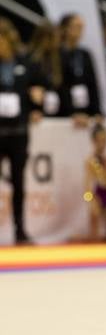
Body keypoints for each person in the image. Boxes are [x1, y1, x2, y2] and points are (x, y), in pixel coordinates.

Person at [0, 20, 43, 244]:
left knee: (19, 182)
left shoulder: (23, 63)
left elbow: (37, 89)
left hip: (18, 132)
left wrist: (36, 106)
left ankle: (20, 230)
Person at [58, 13, 101, 127]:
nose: (79, 31)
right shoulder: (57, 54)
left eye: (81, 27)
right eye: (76, 27)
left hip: (85, 110)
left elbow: (93, 84)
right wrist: (71, 113)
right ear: (65, 29)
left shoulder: (85, 54)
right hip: (65, 113)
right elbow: (60, 85)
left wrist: (96, 112)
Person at [27, 20, 62, 118]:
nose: (58, 41)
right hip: (36, 110)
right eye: (56, 37)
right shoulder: (29, 59)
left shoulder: (59, 57)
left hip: (56, 110)